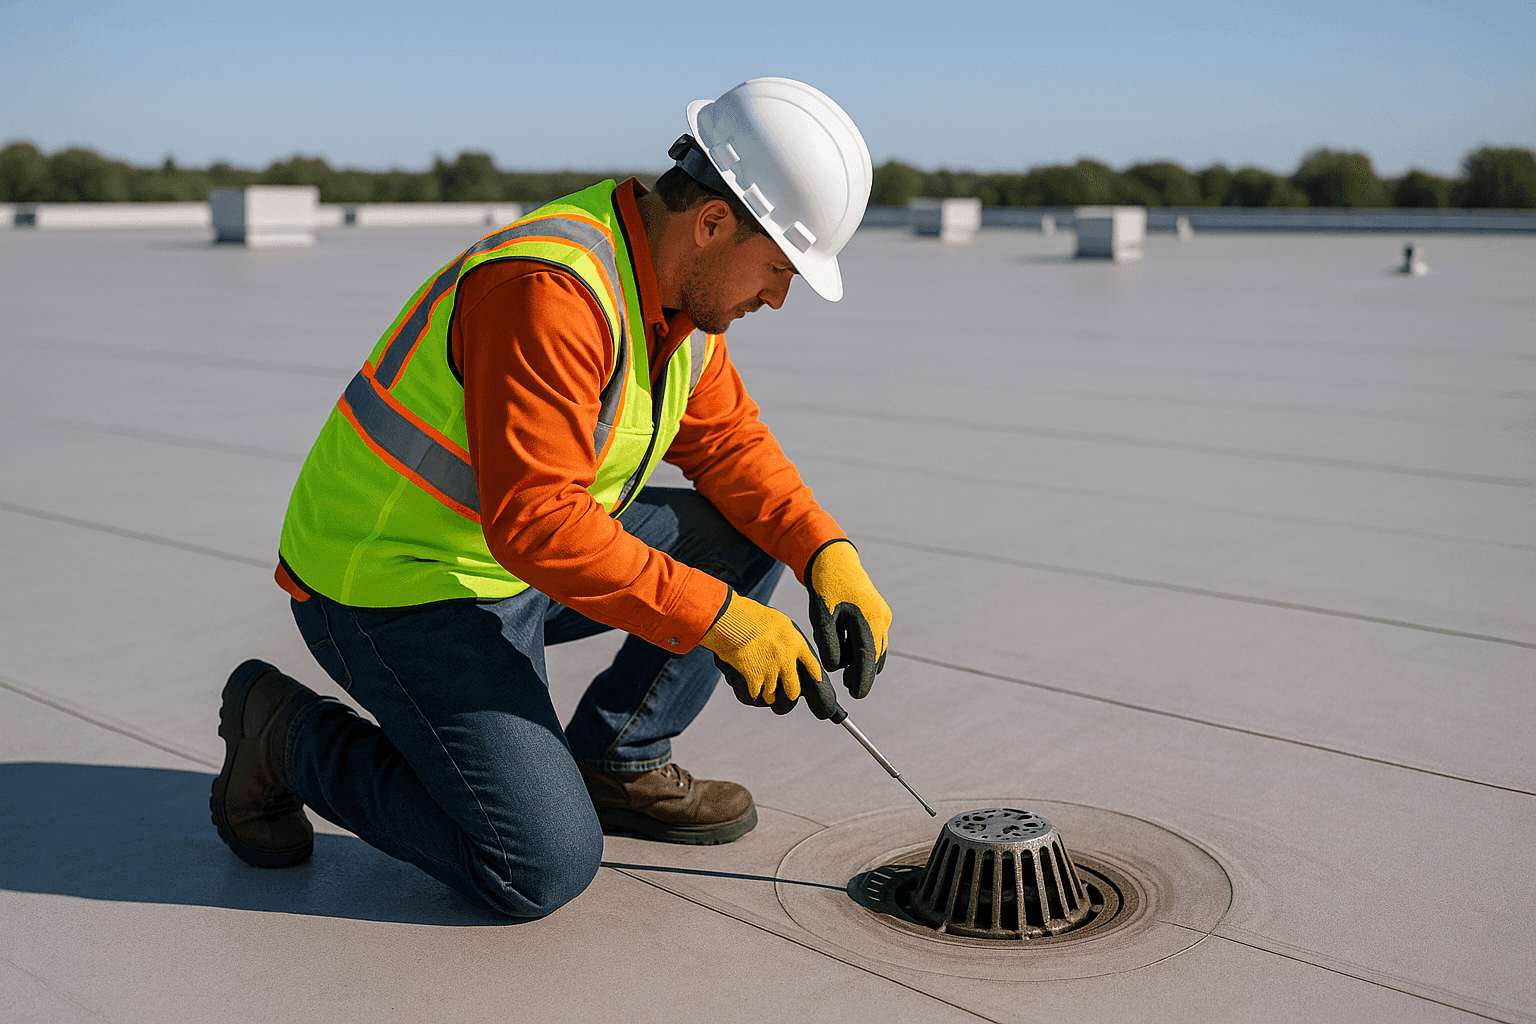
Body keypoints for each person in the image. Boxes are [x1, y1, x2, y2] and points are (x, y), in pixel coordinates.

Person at [209, 78, 891, 919]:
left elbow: (728, 444)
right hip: (397, 586)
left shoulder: (682, 302)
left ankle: (619, 759)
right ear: (713, 221)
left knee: (748, 539)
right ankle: (284, 737)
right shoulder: (551, 290)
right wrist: (725, 621)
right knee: (538, 862)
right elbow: (535, 522)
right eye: (780, 268)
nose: (779, 297)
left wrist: (829, 553)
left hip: (510, 565)